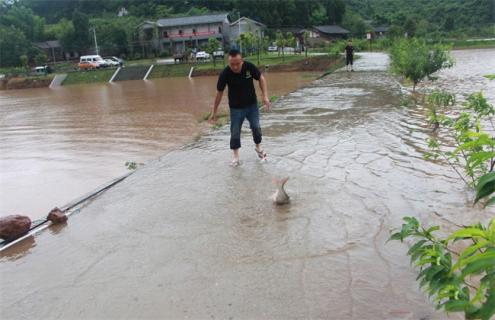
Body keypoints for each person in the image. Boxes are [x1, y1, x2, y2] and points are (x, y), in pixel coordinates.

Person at [209, 49, 271, 167]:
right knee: (235, 132)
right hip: (236, 108)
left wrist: (265, 96)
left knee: (256, 127)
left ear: (242, 61)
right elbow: (219, 93)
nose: (235, 67)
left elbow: (261, 78)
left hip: (252, 105)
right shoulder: (225, 73)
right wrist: (214, 112)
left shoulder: (249, 67)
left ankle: (258, 148)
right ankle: (236, 157)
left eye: (237, 63)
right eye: (232, 64)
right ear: (228, 62)